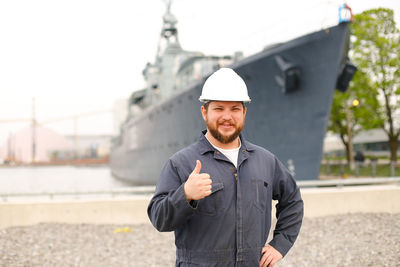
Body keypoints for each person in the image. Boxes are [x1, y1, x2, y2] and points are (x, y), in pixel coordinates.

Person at [147, 67, 304, 266]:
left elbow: (293, 200)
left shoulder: (266, 161)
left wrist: (279, 245)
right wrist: (185, 195)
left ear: (244, 112)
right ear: (205, 112)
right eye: (219, 109)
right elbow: (159, 219)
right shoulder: (181, 163)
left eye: (235, 109)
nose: (227, 117)